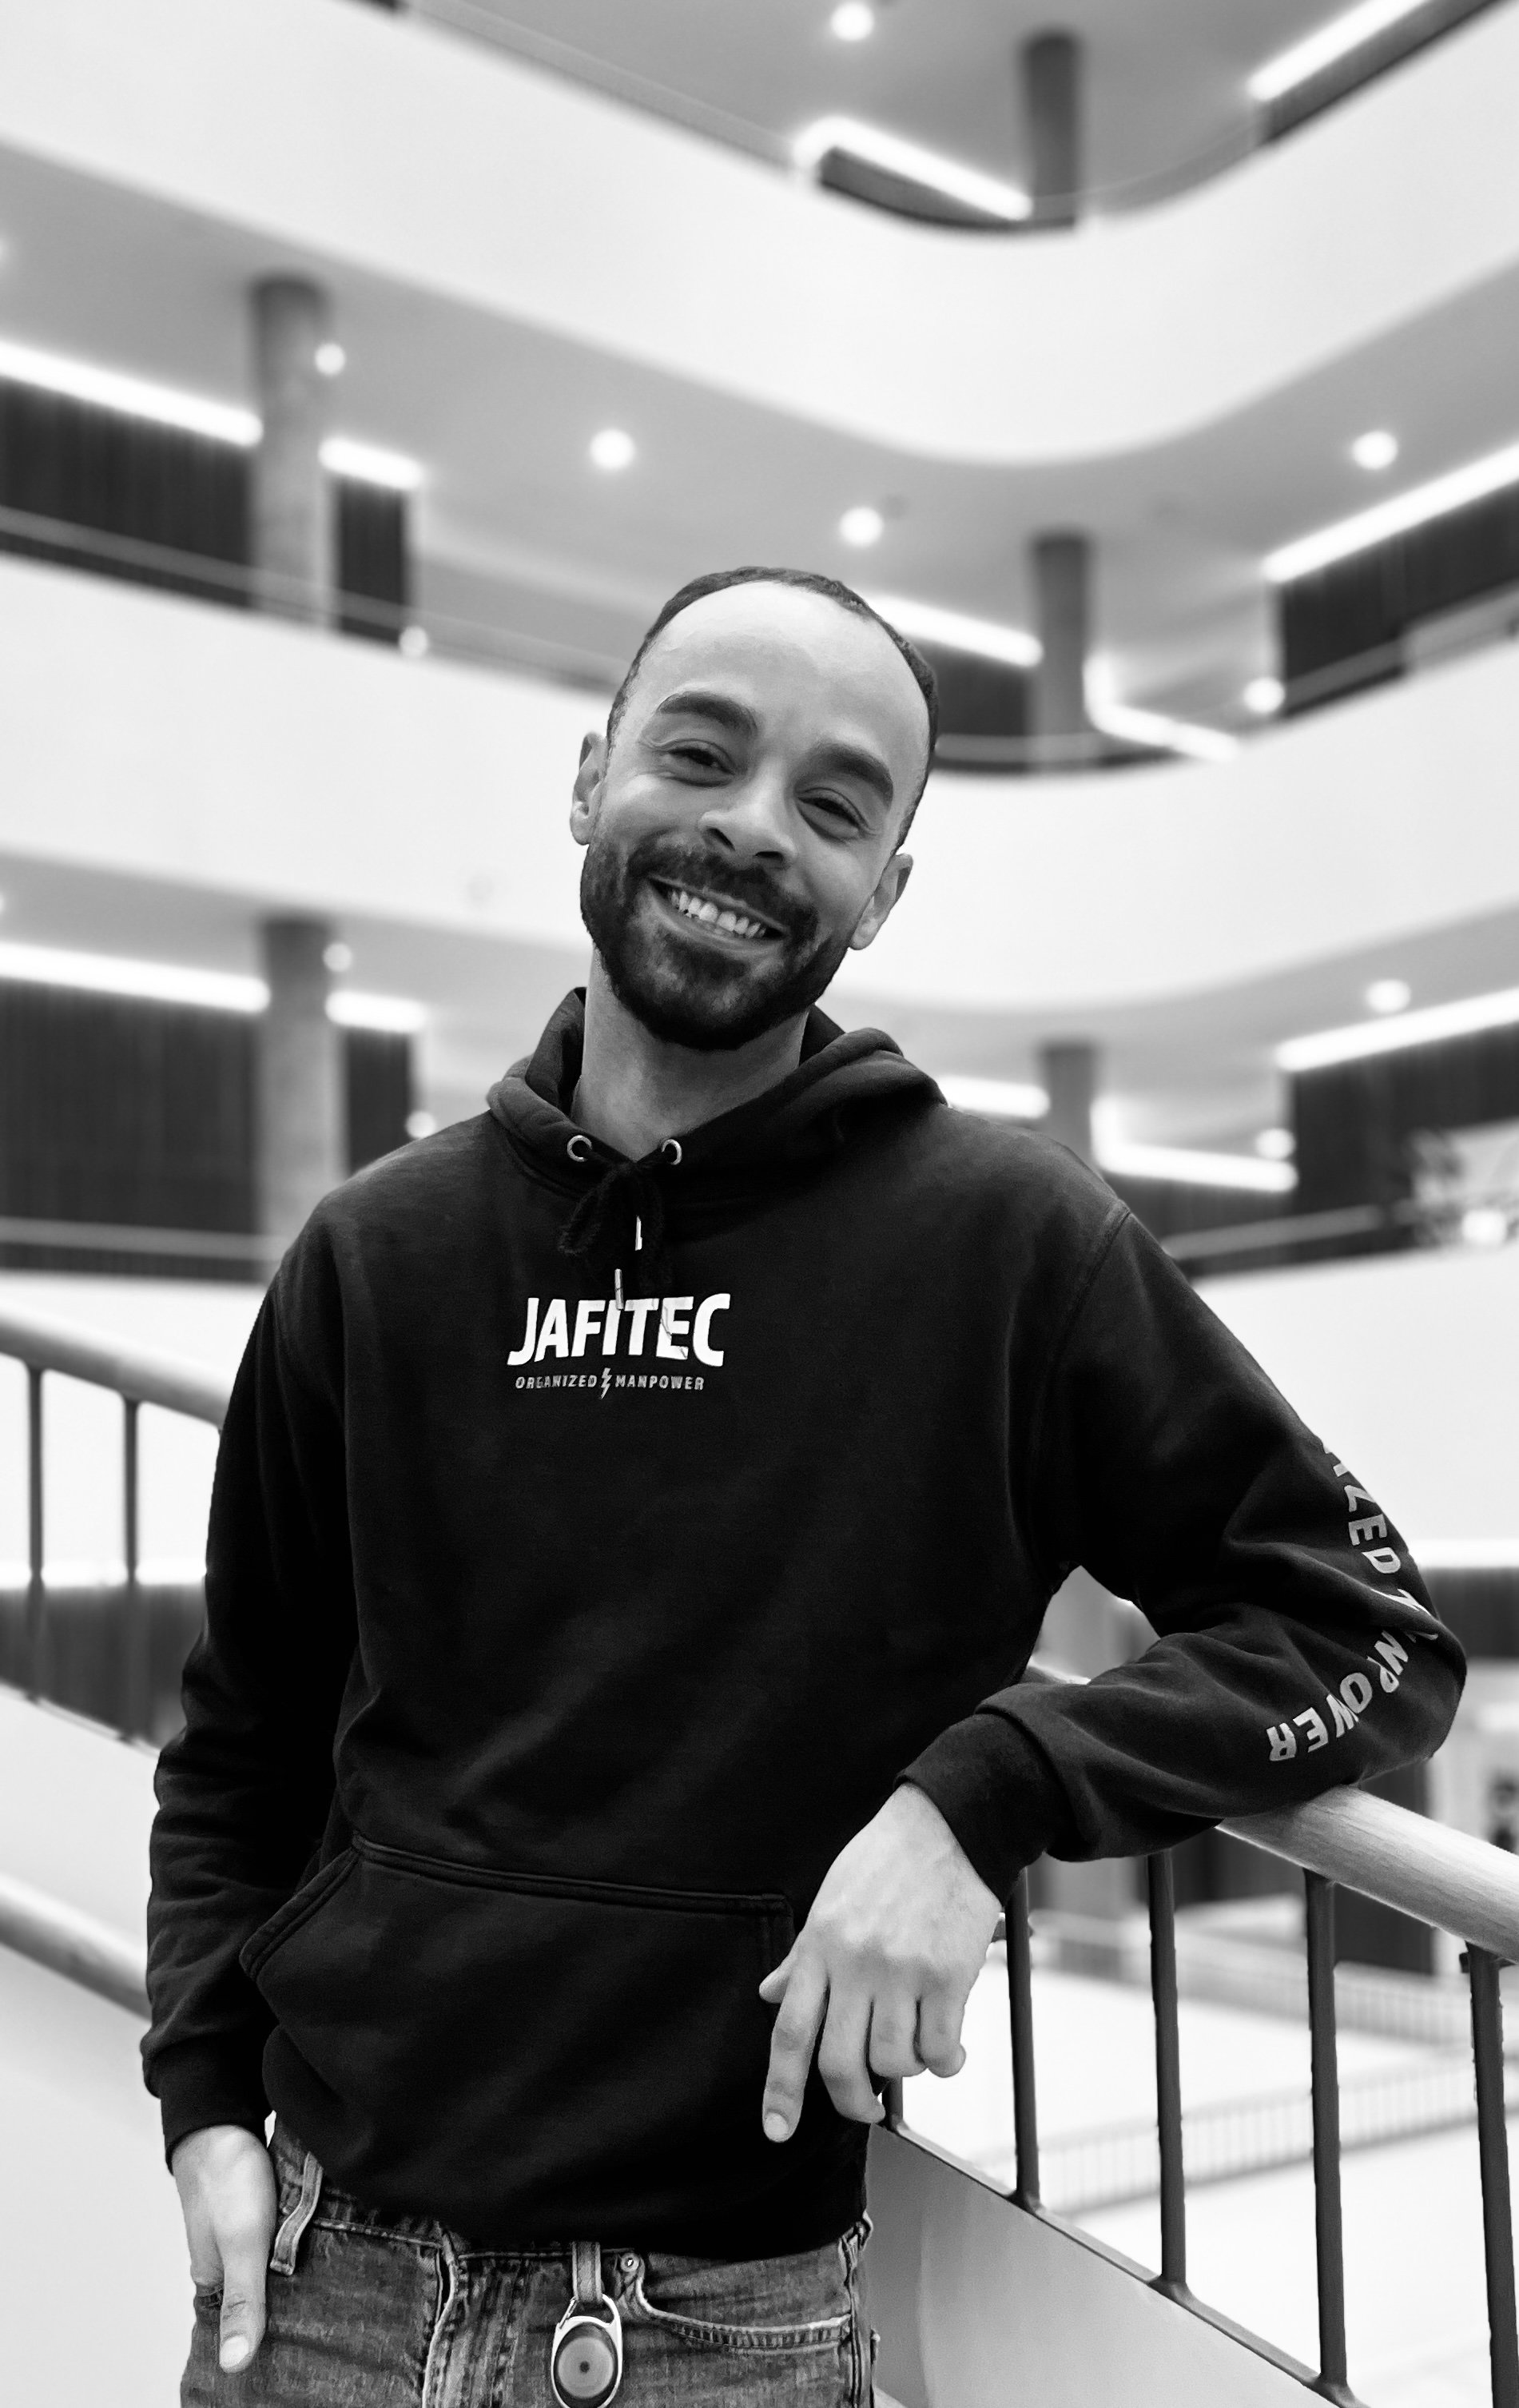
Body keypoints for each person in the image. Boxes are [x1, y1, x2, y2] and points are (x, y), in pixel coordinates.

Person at [145, 565, 1464, 2406]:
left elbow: (1369, 1631)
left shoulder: (1009, 1247)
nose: (754, 830)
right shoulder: (375, 1256)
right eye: (703, 752)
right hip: (313, 2284)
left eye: (836, 806)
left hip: (717, 2331)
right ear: (594, 776)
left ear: (887, 887)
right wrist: (201, 2100)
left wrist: (990, 1792)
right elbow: (244, 1743)